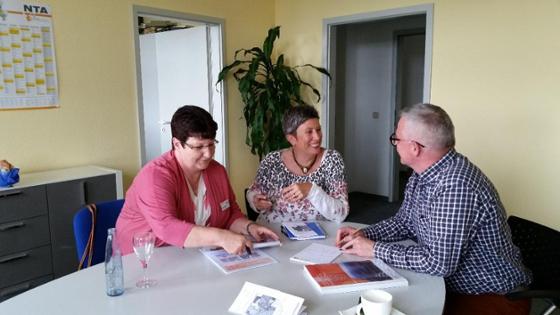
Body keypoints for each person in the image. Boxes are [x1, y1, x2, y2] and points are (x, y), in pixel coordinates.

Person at [336, 103, 531, 315]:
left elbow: (439, 264)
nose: (394, 144)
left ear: (414, 148)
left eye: (396, 138)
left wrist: (373, 249)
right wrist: (364, 234)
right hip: (447, 282)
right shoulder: (423, 173)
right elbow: (404, 222)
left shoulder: (455, 186)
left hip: (492, 295)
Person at [116, 105, 278, 255]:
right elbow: (167, 227)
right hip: (145, 260)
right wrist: (222, 237)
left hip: (191, 256)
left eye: (211, 144)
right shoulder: (154, 176)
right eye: (199, 147)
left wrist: (250, 227)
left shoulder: (217, 171)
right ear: (177, 144)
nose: (208, 154)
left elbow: (230, 215)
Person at [246, 105, 349, 223]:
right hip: (273, 232)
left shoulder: (332, 160)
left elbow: (341, 213)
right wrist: (256, 201)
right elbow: (252, 192)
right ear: (292, 139)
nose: (317, 137)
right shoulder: (272, 161)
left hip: (318, 235)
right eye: (309, 132)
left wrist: (312, 190)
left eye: (318, 130)